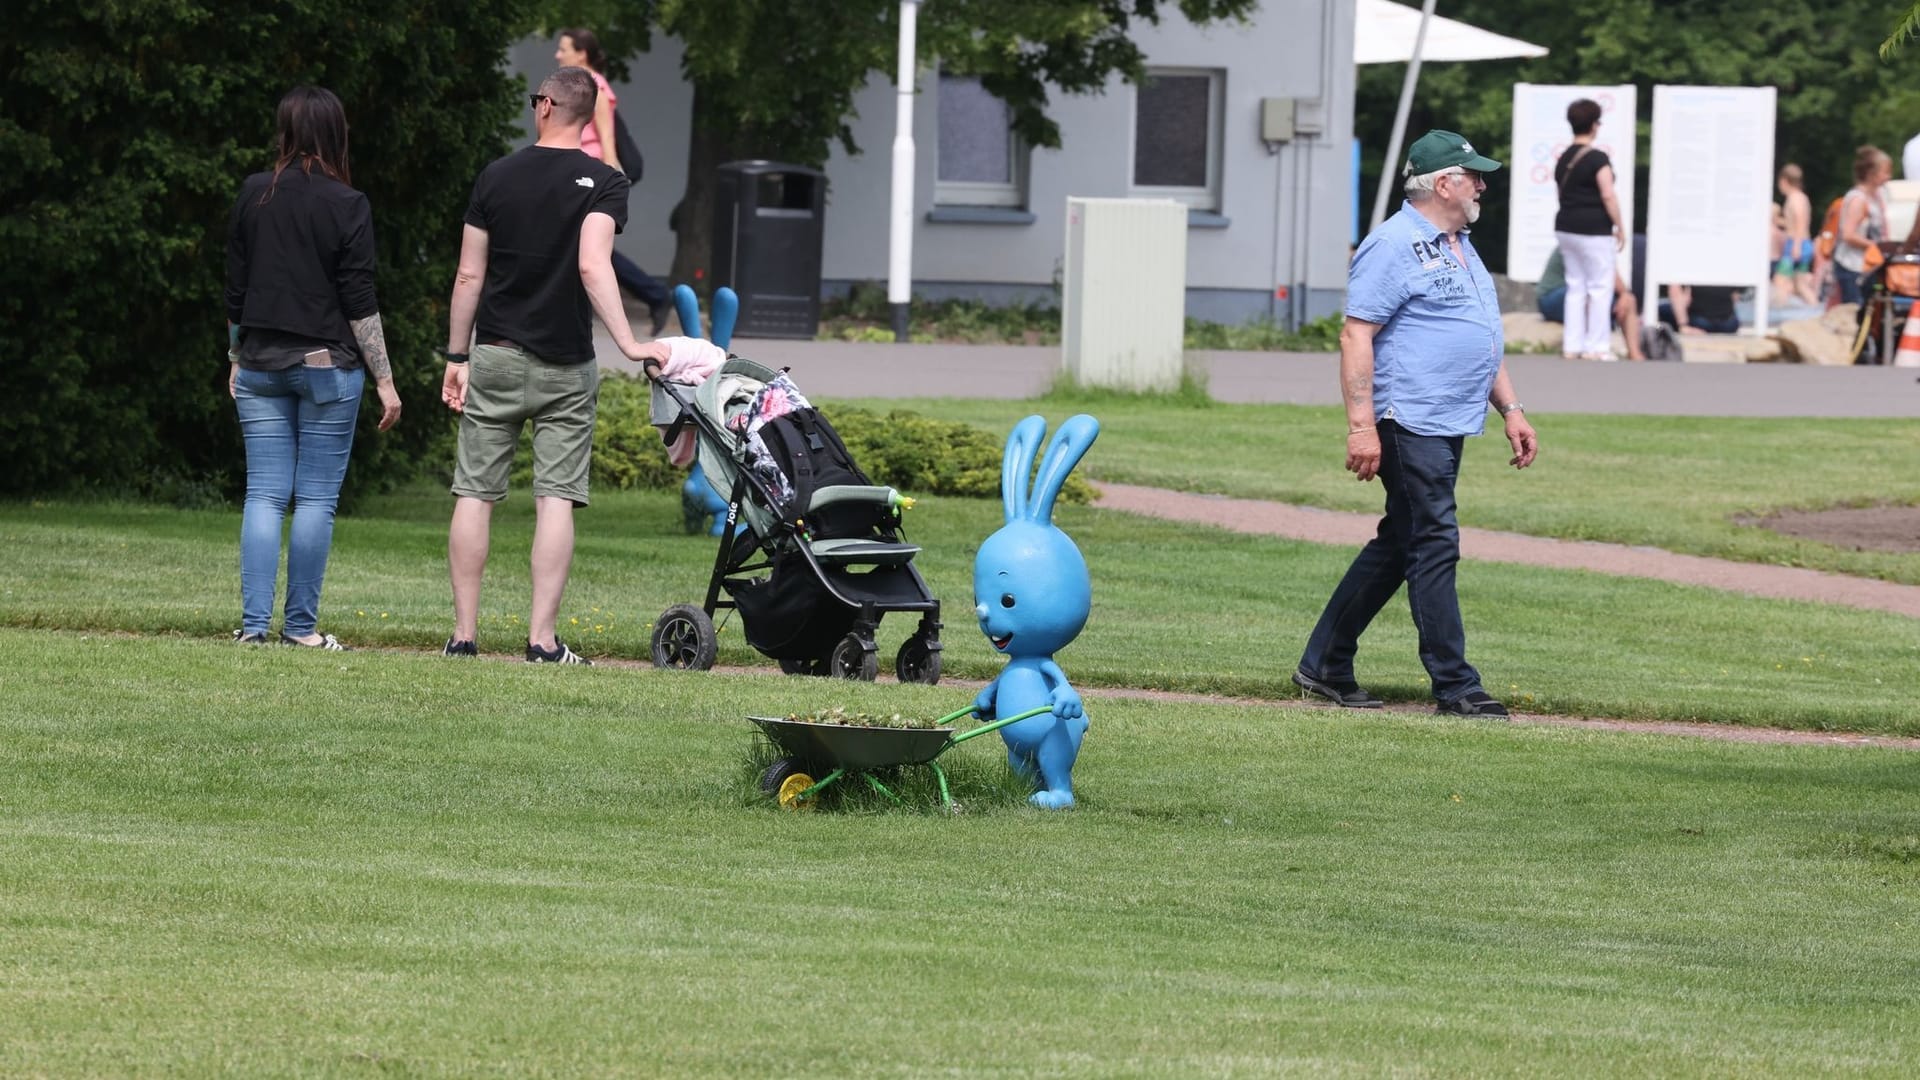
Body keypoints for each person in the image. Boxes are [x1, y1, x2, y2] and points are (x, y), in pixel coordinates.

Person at [1292, 129, 1538, 719]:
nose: (1482, 184)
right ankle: (1456, 685)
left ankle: (1324, 663)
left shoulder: (1460, 242)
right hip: (1408, 418)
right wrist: (1361, 426)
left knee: (1401, 540)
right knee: (1433, 539)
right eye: (1474, 175)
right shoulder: (1395, 243)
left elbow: (1478, 333)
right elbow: (1356, 333)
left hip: (1449, 417)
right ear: (1444, 183)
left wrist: (1510, 407)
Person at [440, 67, 668, 664]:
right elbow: (594, 266)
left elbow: (469, 274)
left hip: (494, 355)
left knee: (475, 492)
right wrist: (631, 342)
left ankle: (463, 636)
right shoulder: (607, 182)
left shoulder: (496, 175)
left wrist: (456, 355)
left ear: (544, 106)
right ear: (589, 116)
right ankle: (541, 640)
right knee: (555, 498)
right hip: (566, 364)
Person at [225, 86, 403, 652]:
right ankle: (300, 628)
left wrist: (234, 357)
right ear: (335, 134)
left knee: (264, 496)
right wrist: (385, 379)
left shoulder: (253, 194)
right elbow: (359, 299)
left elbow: (236, 290)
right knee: (315, 500)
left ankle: (254, 627)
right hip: (328, 364)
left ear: (285, 131)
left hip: (257, 362)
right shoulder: (348, 203)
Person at [555, 27, 670, 336]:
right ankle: (653, 295)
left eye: (563, 48)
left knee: (584, 247)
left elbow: (607, 139)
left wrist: (607, 181)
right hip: (575, 175)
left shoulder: (595, 88)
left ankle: (654, 295)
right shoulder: (577, 85)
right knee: (584, 247)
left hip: (587, 177)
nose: (557, 54)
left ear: (581, 53)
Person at [1552, 99, 1627, 361]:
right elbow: (1608, 194)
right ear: (1595, 125)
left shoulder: (1564, 158)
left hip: (1566, 226)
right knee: (1599, 286)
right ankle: (1597, 347)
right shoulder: (1597, 158)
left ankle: (1571, 345)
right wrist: (1619, 225)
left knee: (1576, 286)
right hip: (1594, 228)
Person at [1535, 248, 1645, 360]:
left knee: (1629, 301)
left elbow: (1609, 273)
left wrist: (1624, 296)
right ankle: (1590, 347)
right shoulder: (1588, 240)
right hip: (1552, 295)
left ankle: (1634, 354)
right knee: (1590, 298)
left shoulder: (1603, 243)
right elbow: (1607, 273)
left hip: (1581, 292)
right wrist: (1623, 293)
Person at [1832, 145, 1892, 306]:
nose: (1888, 177)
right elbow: (1848, 234)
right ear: (1871, 174)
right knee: (1854, 312)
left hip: (1866, 267)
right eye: (1885, 172)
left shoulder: (1876, 197)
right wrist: (1874, 245)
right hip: (1852, 267)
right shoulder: (1858, 200)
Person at [1772, 164, 1816, 306]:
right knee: (1800, 285)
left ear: (1784, 181)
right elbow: (1794, 223)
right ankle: (1815, 309)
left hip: (1797, 244)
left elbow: (1800, 222)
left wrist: (1796, 246)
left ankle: (1777, 314)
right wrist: (1779, 221)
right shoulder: (1801, 198)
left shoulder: (1795, 198)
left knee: (1780, 281)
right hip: (1803, 243)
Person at [1659, 284, 1740, 335]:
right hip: (1730, 325)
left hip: (1699, 323)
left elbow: (1675, 292)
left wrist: (1683, 326)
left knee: (1661, 310)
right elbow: (1735, 297)